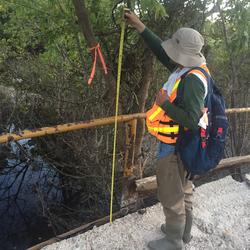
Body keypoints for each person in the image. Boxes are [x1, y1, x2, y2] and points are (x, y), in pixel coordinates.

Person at [125, 11, 210, 250]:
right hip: (183, 144)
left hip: (175, 145)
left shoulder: (192, 80)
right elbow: (162, 52)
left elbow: (192, 121)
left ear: (184, 53)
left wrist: (164, 104)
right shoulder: (191, 67)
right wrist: (140, 25)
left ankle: (174, 241)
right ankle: (184, 232)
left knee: (172, 193)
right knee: (184, 187)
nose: (171, 54)